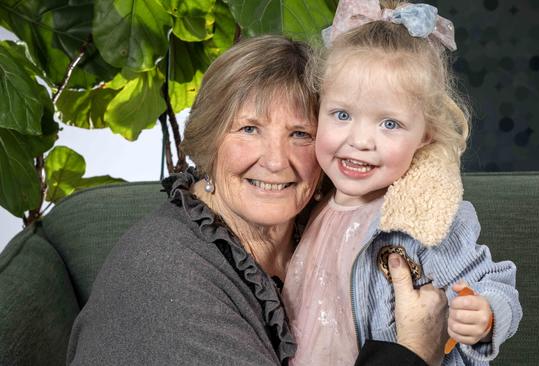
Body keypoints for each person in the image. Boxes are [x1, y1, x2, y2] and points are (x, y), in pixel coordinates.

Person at [66, 35, 450, 366]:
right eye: (249, 129)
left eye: (300, 133)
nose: (275, 160)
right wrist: (414, 348)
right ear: (209, 141)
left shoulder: (333, 229)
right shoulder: (167, 272)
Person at [282, 1, 523, 365]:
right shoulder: (307, 204)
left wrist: (484, 313)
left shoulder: (424, 217)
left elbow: (492, 281)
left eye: (389, 124)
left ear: (424, 134)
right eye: (342, 114)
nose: (361, 140)